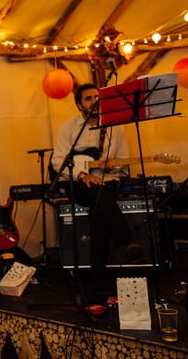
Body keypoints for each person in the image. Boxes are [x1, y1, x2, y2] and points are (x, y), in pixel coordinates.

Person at [51, 83, 143, 291]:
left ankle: (97, 280)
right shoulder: (69, 128)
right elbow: (58, 162)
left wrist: (114, 163)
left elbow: (124, 163)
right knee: (99, 197)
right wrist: (82, 175)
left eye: (96, 97)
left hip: (107, 182)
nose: (94, 102)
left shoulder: (115, 128)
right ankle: (127, 239)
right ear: (78, 105)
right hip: (77, 183)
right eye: (88, 98)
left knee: (100, 207)